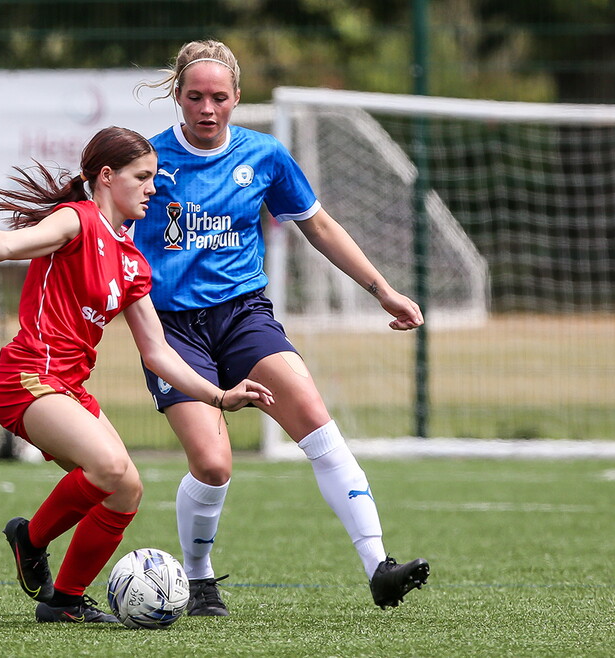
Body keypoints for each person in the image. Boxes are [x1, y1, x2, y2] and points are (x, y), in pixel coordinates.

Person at [0, 126, 273, 624]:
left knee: (127, 490)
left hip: (68, 388)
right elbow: (8, 247)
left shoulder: (134, 262)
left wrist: (220, 395)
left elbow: (159, 353)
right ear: (106, 177)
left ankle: (65, 601)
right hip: (26, 377)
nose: (152, 188)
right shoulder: (74, 221)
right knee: (109, 468)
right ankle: (30, 540)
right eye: (142, 177)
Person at [132, 41, 430, 615]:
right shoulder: (148, 159)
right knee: (214, 465)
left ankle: (379, 567)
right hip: (171, 329)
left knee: (315, 420)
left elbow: (318, 226)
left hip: (243, 317)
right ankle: (198, 579)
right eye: (195, 96)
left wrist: (384, 291)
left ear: (237, 98)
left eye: (219, 97)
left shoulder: (265, 155)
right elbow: (99, 221)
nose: (207, 108)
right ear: (178, 96)